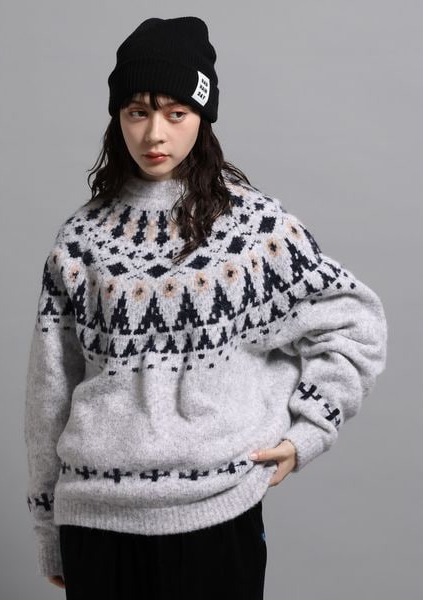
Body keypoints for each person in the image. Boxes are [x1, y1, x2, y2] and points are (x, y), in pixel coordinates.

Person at [24, 16, 388, 600]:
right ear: (118, 118)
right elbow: (49, 396)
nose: (155, 134)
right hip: (95, 521)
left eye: (176, 113)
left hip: (216, 517)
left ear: (203, 116)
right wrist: (48, 531)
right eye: (137, 112)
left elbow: (354, 321)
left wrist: (310, 430)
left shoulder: (252, 230)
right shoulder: (81, 239)